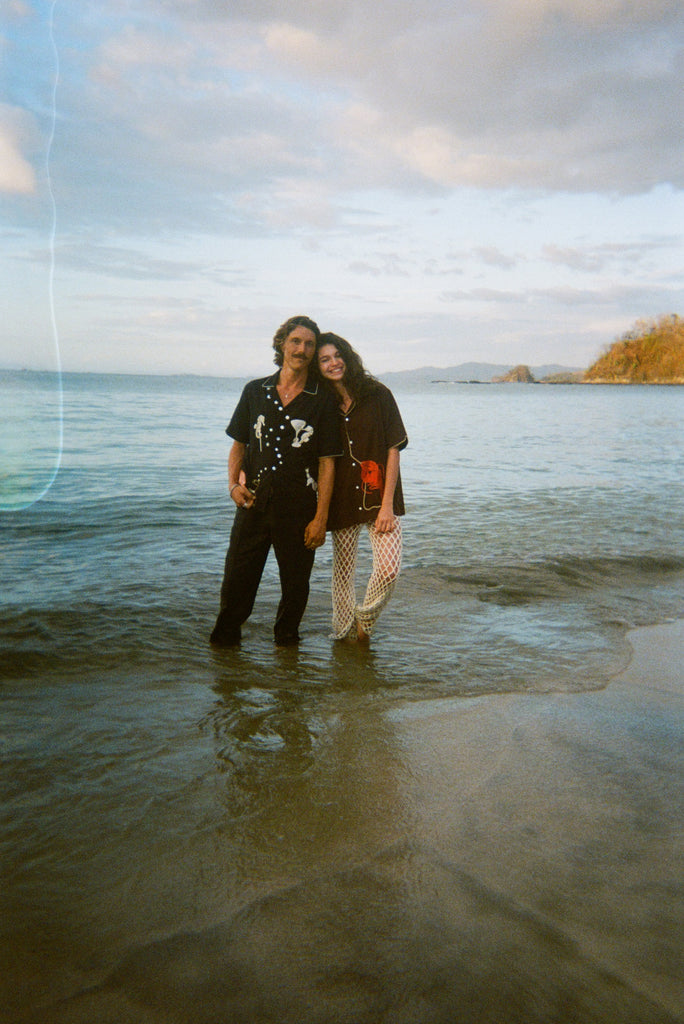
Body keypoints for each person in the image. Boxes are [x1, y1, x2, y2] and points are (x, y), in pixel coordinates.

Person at [210, 316, 342, 647]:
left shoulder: (322, 399)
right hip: (253, 503)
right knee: (236, 586)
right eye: (296, 341)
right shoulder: (256, 391)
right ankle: (226, 677)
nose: (302, 349)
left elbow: (328, 462)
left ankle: (289, 674)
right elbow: (239, 444)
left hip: (299, 510)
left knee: (295, 591)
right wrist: (232, 486)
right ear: (281, 343)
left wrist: (321, 518)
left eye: (310, 344)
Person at [316, 332, 408, 641]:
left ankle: (363, 622)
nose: (333, 363)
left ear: (348, 355)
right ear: (318, 366)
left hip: (378, 496)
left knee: (389, 570)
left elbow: (393, 448)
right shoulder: (320, 403)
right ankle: (342, 637)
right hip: (341, 498)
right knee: (343, 576)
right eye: (324, 359)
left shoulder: (377, 394)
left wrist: (387, 505)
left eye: (337, 355)